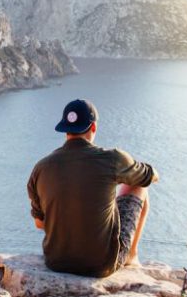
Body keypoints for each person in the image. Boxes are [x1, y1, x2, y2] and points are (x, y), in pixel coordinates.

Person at [27, 99, 159, 278]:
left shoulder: (41, 168)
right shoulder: (112, 159)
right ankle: (131, 256)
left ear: (65, 129)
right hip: (100, 265)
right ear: (93, 127)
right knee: (139, 186)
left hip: (56, 262)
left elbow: (40, 223)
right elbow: (149, 177)